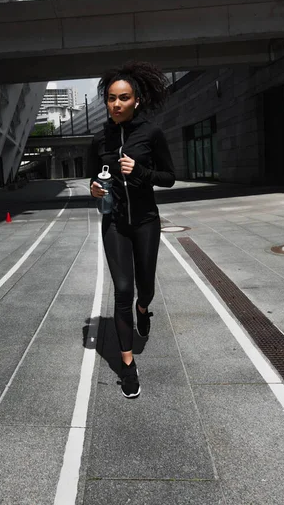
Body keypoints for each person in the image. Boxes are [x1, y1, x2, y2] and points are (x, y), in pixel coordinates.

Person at [88, 61, 175, 398]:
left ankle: (144, 308)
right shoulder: (99, 139)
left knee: (145, 288)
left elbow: (168, 178)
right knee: (123, 290)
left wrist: (140, 171)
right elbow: (93, 178)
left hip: (145, 222)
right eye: (111, 98)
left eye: (123, 98)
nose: (117, 104)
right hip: (114, 224)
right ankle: (127, 366)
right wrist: (94, 187)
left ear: (136, 100)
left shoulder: (151, 134)